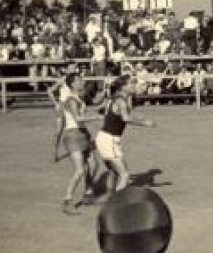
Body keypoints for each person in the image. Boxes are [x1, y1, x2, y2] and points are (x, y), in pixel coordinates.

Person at [49, 73, 102, 215]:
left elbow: (95, 102)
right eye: (79, 80)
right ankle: (67, 200)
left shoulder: (79, 97)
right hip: (73, 135)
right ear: (72, 84)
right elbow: (78, 119)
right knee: (79, 170)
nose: (82, 82)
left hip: (83, 133)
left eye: (81, 80)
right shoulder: (71, 100)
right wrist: (96, 117)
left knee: (94, 163)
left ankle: (88, 194)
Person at [95, 75, 156, 194]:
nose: (133, 85)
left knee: (114, 172)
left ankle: (109, 197)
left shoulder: (116, 98)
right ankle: (116, 202)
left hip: (105, 138)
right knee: (124, 175)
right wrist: (145, 123)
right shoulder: (120, 100)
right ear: (123, 87)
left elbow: (103, 110)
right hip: (109, 139)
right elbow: (126, 118)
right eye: (130, 84)